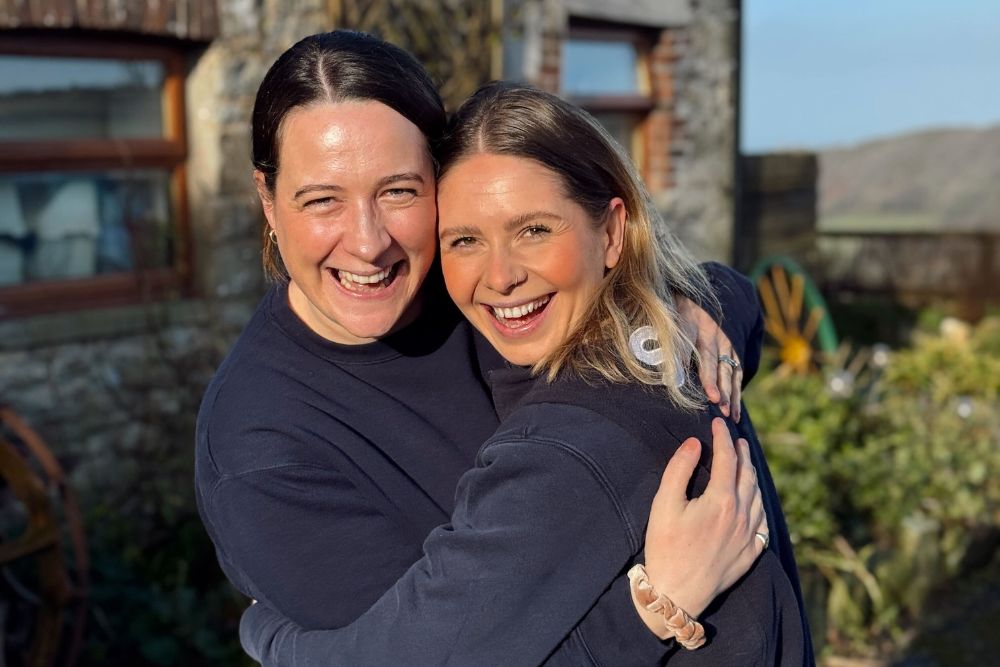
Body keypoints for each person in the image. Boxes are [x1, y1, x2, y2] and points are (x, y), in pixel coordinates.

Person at [195, 31, 776, 665]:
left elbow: (733, 301)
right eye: (322, 200)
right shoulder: (263, 449)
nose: (368, 243)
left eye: (398, 191)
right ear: (268, 200)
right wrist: (656, 608)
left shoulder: (480, 291)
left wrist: (685, 307)